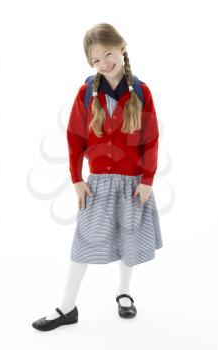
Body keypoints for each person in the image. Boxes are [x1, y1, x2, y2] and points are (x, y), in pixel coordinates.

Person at [32, 22, 163, 332]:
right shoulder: (87, 91)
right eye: (96, 59)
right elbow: (75, 136)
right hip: (99, 184)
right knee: (83, 242)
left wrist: (147, 180)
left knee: (128, 238)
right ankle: (67, 306)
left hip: (132, 183)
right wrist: (76, 178)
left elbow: (152, 138)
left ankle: (124, 293)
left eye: (108, 53)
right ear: (90, 64)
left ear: (121, 48)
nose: (105, 62)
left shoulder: (141, 92)